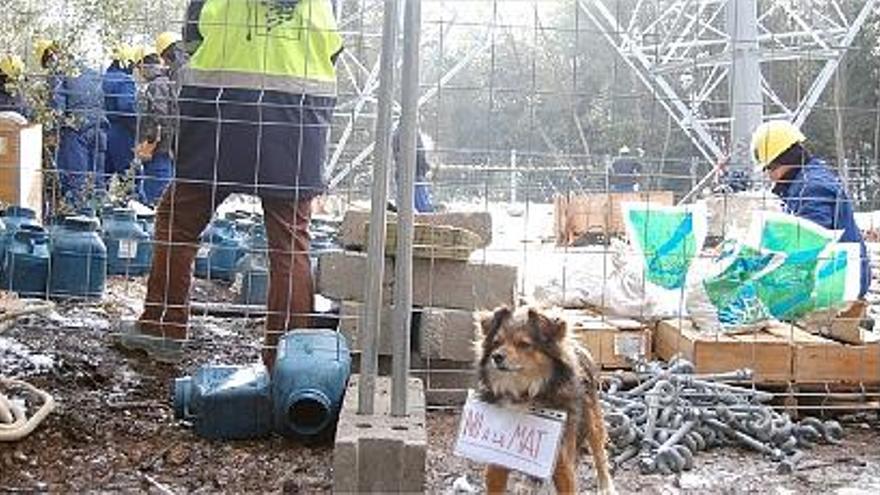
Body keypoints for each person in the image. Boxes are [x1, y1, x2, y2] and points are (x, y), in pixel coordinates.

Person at [115, 0, 344, 368]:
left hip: (220, 111)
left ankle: (164, 326)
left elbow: (192, 39)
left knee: (178, 222)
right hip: (298, 117)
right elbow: (332, 48)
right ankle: (287, 362)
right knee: (290, 242)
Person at [752, 120, 871, 299]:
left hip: (843, 279)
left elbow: (810, 243)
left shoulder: (811, 187)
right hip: (840, 271)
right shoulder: (803, 181)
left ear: (785, 160)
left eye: (770, 168)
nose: (769, 176)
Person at [38, 39, 108, 208]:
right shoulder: (90, 71)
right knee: (97, 180)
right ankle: (98, 220)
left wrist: (50, 132)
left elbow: (57, 106)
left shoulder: (58, 72)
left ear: (50, 56)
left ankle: (77, 224)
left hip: (76, 131)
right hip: (100, 128)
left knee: (76, 181)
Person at [133, 46, 176, 206]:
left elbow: (159, 117)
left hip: (158, 151)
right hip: (163, 149)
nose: (140, 73)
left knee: (157, 197)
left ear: (144, 66)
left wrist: (149, 144)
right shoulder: (166, 82)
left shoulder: (157, 85)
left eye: (139, 68)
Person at [103, 45, 138, 181]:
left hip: (103, 131)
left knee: (101, 180)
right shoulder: (125, 80)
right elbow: (126, 107)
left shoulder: (102, 79)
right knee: (130, 180)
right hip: (121, 133)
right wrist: (136, 127)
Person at [392, 122, 435, 213]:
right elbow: (419, 153)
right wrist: (426, 167)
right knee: (422, 206)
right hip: (414, 173)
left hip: (405, 172)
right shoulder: (410, 132)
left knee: (406, 201)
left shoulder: (397, 132)